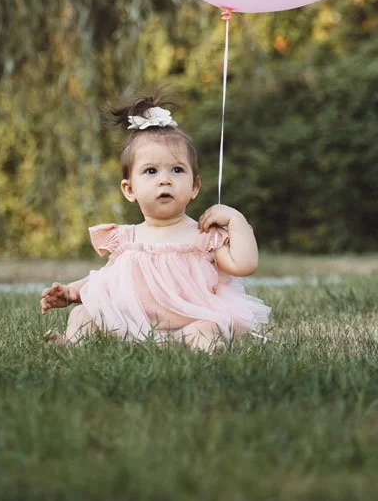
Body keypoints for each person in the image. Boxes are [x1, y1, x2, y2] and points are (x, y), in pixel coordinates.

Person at [41, 92, 272, 353]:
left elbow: (245, 264)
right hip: (129, 326)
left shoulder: (204, 236)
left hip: (188, 324)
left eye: (177, 170)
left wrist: (236, 220)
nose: (165, 180)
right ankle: (73, 345)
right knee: (84, 314)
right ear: (130, 189)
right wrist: (73, 291)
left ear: (194, 186)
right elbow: (106, 279)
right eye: (151, 171)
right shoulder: (126, 239)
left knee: (206, 328)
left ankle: (205, 349)